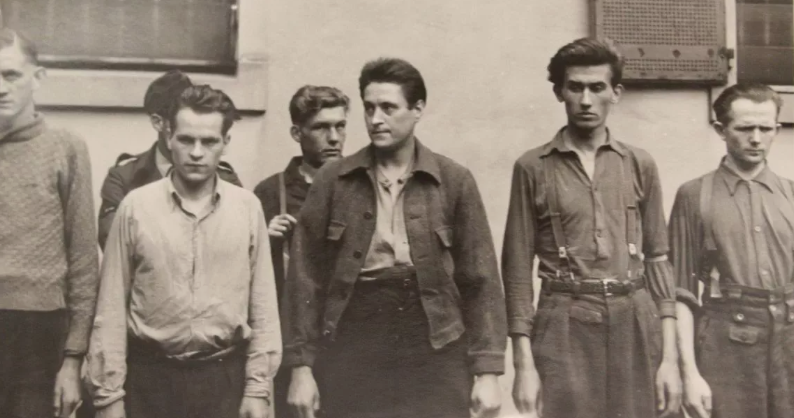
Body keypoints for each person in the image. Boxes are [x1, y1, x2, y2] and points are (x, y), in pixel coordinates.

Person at [284, 57, 506, 418]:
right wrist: (301, 367)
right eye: (369, 108)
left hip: (436, 344)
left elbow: (481, 280)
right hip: (353, 342)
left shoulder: (453, 180)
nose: (375, 119)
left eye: (388, 108)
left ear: (417, 109)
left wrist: (488, 371)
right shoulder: (333, 180)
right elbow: (304, 279)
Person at [501, 38, 681, 418]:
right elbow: (516, 271)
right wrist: (523, 365)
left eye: (597, 87)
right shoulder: (532, 167)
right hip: (564, 323)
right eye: (575, 87)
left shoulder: (639, 164)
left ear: (616, 93)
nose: (586, 100)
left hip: (634, 320)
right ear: (559, 92)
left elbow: (658, 261)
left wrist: (669, 360)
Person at [86, 85, 281, 418]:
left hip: (224, 382)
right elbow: (111, 306)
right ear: (168, 136)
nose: (196, 152)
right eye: (186, 140)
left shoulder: (247, 208)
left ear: (226, 142)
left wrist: (257, 389)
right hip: (150, 382)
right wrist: (109, 397)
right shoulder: (136, 207)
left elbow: (263, 306)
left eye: (209, 142)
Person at [0, 28, 99, 418]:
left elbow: (84, 260)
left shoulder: (65, 147)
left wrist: (73, 358)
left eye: (12, 75)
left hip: (39, 334)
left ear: (37, 78)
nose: (0, 88)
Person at [669, 83, 790, 418]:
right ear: (721, 130)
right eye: (745, 128)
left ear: (776, 130)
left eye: (765, 129)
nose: (756, 139)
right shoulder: (695, 196)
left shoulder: (791, 195)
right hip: (727, 350)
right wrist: (689, 373)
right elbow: (679, 292)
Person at [252, 85, 349, 418]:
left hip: (348, 344)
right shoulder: (269, 192)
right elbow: (246, 279)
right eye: (321, 127)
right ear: (297, 133)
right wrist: (266, 241)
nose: (334, 138)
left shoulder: (361, 187)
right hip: (291, 343)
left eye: (340, 126)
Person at [96, 69, 242, 250]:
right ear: (158, 122)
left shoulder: (224, 177)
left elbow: (236, 242)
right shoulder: (124, 177)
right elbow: (114, 242)